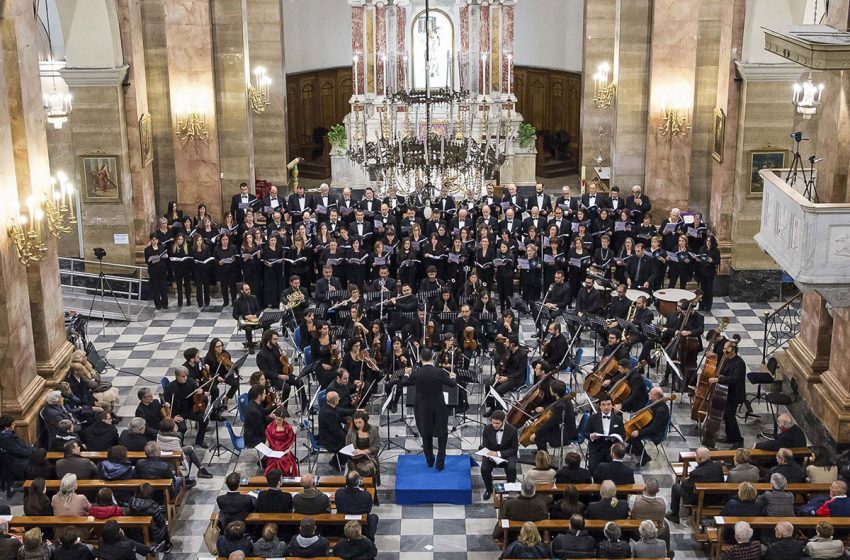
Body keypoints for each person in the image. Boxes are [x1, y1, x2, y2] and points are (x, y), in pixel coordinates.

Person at [402, 348, 458, 470]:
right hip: (439, 407)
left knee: (426, 433)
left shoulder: (417, 373)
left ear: (421, 359)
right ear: (432, 358)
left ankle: (429, 460)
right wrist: (453, 377)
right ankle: (440, 462)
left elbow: (404, 382)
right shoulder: (439, 372)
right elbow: (452, 384)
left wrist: (406, 373)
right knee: (442, 433)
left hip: (422, 408)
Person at [668, 446, 724, 521]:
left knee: (676, 487)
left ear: (700, 459)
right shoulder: (718, 466)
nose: (695, 458)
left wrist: (685, 481)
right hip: (717, 498)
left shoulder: (696, 473)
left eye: (696, 456)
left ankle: (674, 515)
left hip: (702, 500)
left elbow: (687, 487)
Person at [710, 341, 747, 448]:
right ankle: (730, 436)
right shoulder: (727, 359)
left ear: (732, 350)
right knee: (726, 416)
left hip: (734, 394)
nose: (723, 350)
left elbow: (734, 379)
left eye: (725, 348)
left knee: (730, 417)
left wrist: (719, 379)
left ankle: (738, 440)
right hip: (726, 392)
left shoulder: (739, 363)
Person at [527, 380, 576, 453]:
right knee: (540, 432)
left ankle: (544, 457)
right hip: (562, 428)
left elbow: (550, 423)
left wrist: (535, 434)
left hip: (565, 434)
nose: (549, 390)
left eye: (551, 389)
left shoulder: (560, 406)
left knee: (539, 437)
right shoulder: (564, 399)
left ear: (555, 393)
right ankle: (542, 451)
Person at [480, 410, 519, 501]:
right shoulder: (487, 429)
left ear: (503, 421)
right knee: (484, 469)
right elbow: (485, 445)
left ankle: (510, 490)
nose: (495, 425)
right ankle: (489, 490)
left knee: (511, 468)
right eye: (493, 423)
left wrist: (498, 454)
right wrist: (490, 454)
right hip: (491, 455)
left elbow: (514, 449)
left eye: (497, 423)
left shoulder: (512, 430)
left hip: (507, 455)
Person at [627, 387, 670, 466]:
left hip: (656, 433)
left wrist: (639, 432)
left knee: (631, 435)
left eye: (651, 393)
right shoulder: (656, 403)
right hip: (651, 427)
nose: (648, 393)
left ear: (656, 396)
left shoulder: (661, 410)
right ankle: (634, 449)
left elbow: (654, 428)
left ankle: (645, 457)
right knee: (630, 431)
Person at [587, 395, 625, 474]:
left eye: (608, 404)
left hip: (612, 448)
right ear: (600, 406)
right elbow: (585, 432)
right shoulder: (593, 418)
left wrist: (616, 438)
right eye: (603, 405)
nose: (606, 407)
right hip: (597, 447)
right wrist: (591, 436)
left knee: (614, 470)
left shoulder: (618, 419)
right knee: (592, 467)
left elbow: (622, 435)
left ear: (612, 405)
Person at [127, 483, 171, 551]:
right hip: (151, 534)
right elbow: (161, 521)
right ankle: (167, 545)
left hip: (134, 532)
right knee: (164, 523)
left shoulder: (132, 501)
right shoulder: (152, 505)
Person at [335, 472, 378, 540]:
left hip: (343, 525)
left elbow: (338, 506)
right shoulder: (366, 496)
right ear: (359, 482)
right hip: (361, 526)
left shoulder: (338, 493)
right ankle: (370, 538)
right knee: (374, 517)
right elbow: (368, 510)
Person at [345, 410, 381, 487]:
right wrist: (352, 452)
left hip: (369, 457)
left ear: (364, 421)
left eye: (360, 422)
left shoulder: (373, 430)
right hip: (355, 458)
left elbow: (377, 445)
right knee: (352, 476)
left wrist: (363, 451)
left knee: (369, 470)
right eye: (355, 423)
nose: (358, 425)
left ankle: (371, 491)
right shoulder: (352, 431)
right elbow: (348, 444)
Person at [318, 392, 348, 471]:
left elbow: (338, 416)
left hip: (331, 433)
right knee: (348, 443)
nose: (339, 399)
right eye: (338, 398)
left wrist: (347, 421)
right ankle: (335, 462)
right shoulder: (328, 413)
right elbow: (335, 430)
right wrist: (347, 437)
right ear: (335, 401)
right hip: (328, 438)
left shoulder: (329, 406)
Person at [0, 415, 32, 483]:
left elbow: (23, 445)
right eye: (13, 424)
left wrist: (32, 450)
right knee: (39, 469)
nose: (14, 425)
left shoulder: (9, 435)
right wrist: (33, 453)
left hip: (17, 460)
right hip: (16, 465)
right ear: (6, 428)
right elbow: (20, 452)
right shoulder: (7, 439)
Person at [233, 282, 263, 348]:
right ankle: (250, 345)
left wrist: (255, 315)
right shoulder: (237, 302)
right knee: (248, 328)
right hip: (245, 322)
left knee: (266, 324)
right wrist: (245, 316)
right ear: (242, 291)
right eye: (246, 290)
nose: (249, 291)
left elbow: (258, 310)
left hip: (254, 320)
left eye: (249, 289)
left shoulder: (254, 298)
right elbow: (234, 315)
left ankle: (263, 342)